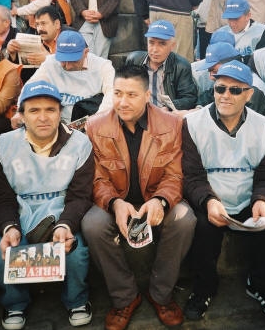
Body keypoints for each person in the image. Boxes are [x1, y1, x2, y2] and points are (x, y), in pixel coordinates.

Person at [81, 64, 196, 330]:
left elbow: (175, 175)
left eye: (131, 95)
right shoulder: (95, 127)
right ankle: (125, 297)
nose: (122, 102)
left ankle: (161, 294)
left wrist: (161, 201)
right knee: (93, 224)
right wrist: (115, 203)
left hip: (156, 198)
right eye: (117, 93)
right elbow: (97, 178)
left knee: (185, 220)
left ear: (147, 95)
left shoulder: (172, 124)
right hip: (116, 200)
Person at [182, 60, 265, 319]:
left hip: (249, 199)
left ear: (249, 95)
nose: (225, 95)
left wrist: (262, 200)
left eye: (235, 90)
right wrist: (208, 200)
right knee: (201, 225)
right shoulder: (193, 124)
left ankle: (260, 284)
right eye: (220, 88)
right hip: (211, 199)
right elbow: (192, 175)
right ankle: (204, 288)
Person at [0, 80, 94, 329]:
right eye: (34, 110)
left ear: (60, 113)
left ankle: (76, 300)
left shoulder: (79, 143)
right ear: (21, 114)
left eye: (50, 109)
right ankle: (15, 303)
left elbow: (80, 195)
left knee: (76, 253)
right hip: (21, 212)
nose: (43, 117)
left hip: (61, 211)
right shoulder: (5, 143)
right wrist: (9, 227)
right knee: (0, 256)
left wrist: (66, 225)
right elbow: (1, 197)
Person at [14, 30, 114, 125]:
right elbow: (31, 86)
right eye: (63, 60)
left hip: (90, 117)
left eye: (73, 61)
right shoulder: (51, 62)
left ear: (85, 53)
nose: (68, 66)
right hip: (57, 122)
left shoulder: (102, 66)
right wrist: (20, 111)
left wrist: (97, 120)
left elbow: (111, 94)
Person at [124, 20, 197, 111]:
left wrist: (168, 108)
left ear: (172, 46)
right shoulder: (134, 60)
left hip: (165, 115)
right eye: (151, 42)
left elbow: (189, 99)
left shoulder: (181, 66)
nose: (155, 49)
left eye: (162, 44)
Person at [192, 41, 265, 116]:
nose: (211, 77)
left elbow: (239, 122)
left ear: (231, 64)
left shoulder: (253, 87)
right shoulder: (228, 80)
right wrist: (198, 109)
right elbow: (208, 96)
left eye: (214, 71)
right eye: (209, 71)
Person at [6, 6, 68, 82]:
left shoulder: (71, 38)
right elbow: (26, 75)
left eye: (43, 23)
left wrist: (48, 60)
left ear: (57, 24)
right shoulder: (35, 38)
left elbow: (73, 71)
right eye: (37, 24)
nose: (40, 29)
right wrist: (13, 55)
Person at [214, 0, 265, 64]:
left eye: (236, 19)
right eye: (229, 19)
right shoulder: (220, 33)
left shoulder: (262, 32)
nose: (232, 24)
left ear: (248, 16)